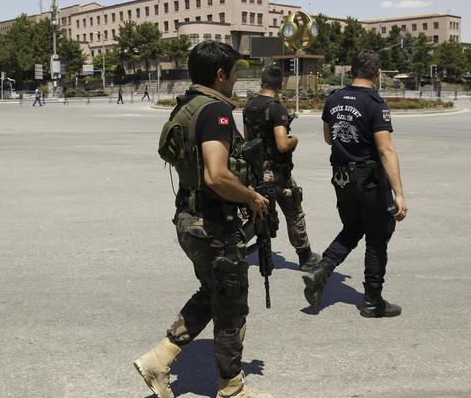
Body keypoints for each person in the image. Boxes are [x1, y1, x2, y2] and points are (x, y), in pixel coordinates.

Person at [134, 41, 272, 398]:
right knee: (231, 307)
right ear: (220, 74)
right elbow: (217, 176)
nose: (238, 79)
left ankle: (158, 359)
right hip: (215, 224)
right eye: (236, 72)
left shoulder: (187, 108)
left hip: (191, 219)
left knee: (212, 292)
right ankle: (232, 388)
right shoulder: (215, 113)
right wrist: (252, 196)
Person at [302, 49, 407, 318]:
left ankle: (321, 269)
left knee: (352, 228)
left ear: (351, 71)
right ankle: (373, 301)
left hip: (342, 179)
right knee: (377, 237)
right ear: (378, 73)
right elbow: (386, 150)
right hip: (369, 180)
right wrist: (399, 193)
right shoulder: (375, 104)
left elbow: (329, 138)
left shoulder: (334, 98)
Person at [242, 66, 321, 272]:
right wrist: (294, 140)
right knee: (293, 210)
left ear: (261, 82)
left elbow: (247, 139)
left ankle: (248, 250)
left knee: (259, 214)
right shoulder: (277, 109)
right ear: (281, 85)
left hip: (256, 170)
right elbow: (282, 144)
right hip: (277, 172)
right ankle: (306, 257)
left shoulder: (249, 106)